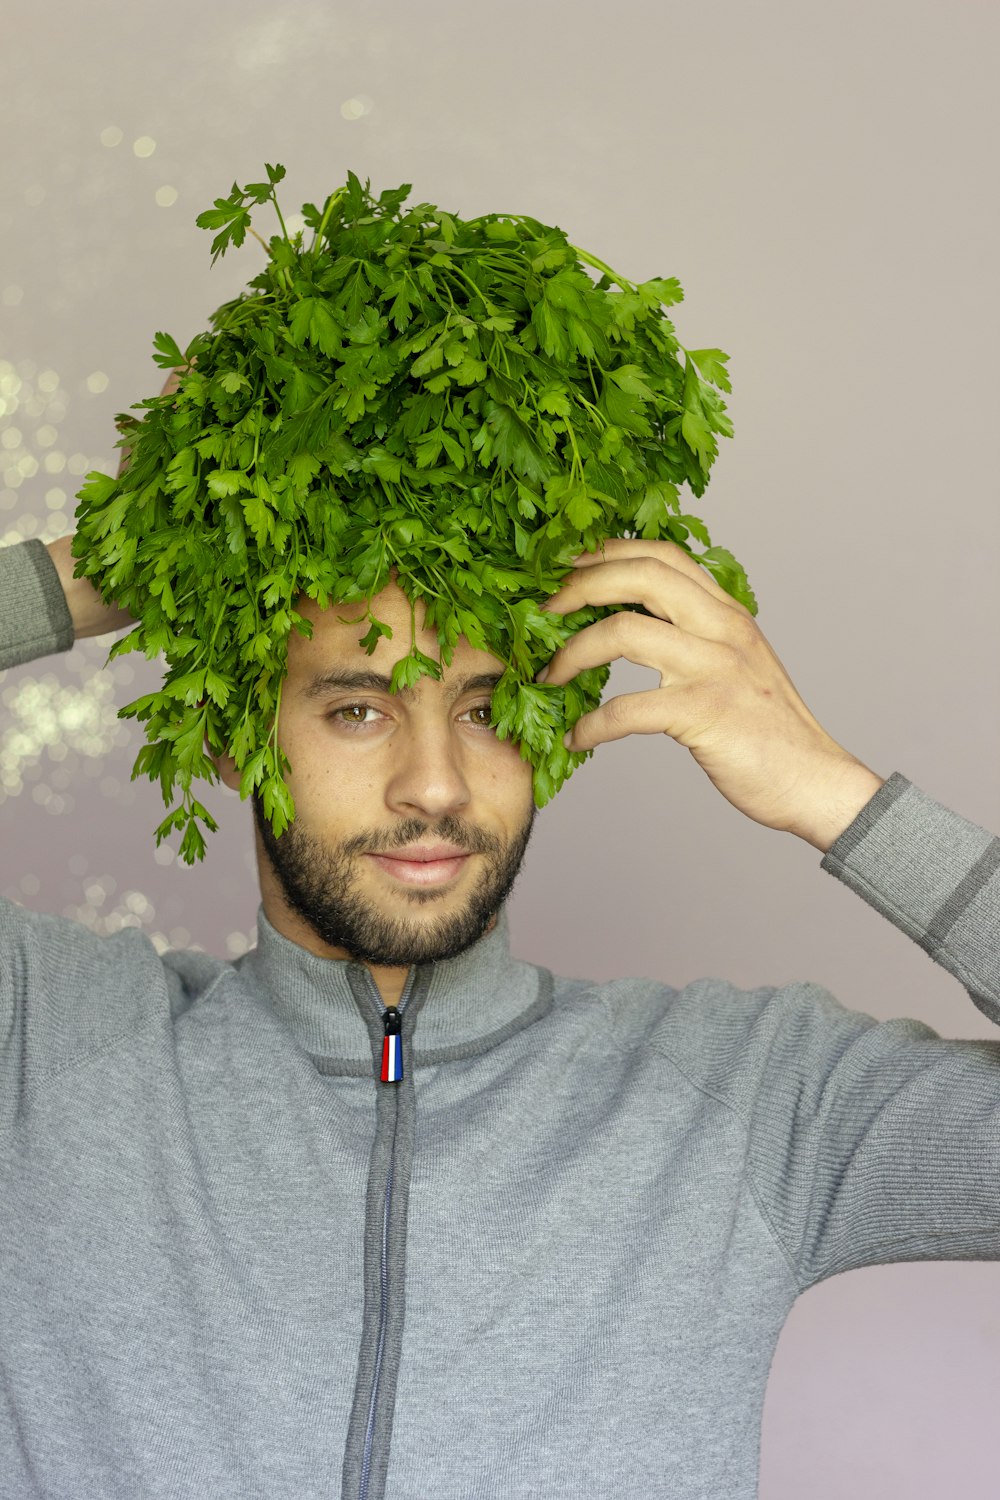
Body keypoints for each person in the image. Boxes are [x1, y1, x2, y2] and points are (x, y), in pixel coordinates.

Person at [1, 441, 997, 1500]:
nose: (433, 786)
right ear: (233, 738)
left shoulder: (756, 1095)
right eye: (357, 709)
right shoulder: (43, 1042)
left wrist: (829, 792)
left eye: (484, 710)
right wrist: (104, 569)